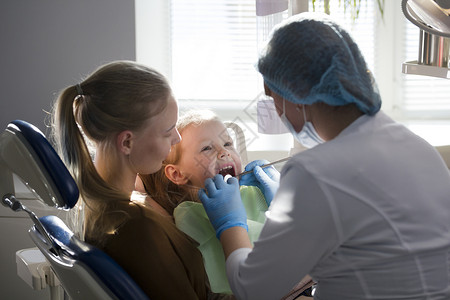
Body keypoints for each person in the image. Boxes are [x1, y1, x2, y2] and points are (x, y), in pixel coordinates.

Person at [198, 12, 450, 300]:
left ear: (296, 95)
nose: (278, 112)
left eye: (273, 98)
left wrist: (230, 224)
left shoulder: (314, 172)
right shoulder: (416, 146)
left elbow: (253, 289)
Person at [50, 60, 227, 299]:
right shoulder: (136, 226)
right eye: (168, 131)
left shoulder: (100, 203)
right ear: (127, 142)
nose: (176, 138)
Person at [138, 109, 272, 295]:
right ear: (177, 174)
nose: (224, 152)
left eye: (227, 143)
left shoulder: (258, 192)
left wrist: (286, 201)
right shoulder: (188, 216)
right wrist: (228, 225)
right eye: (207, 148)